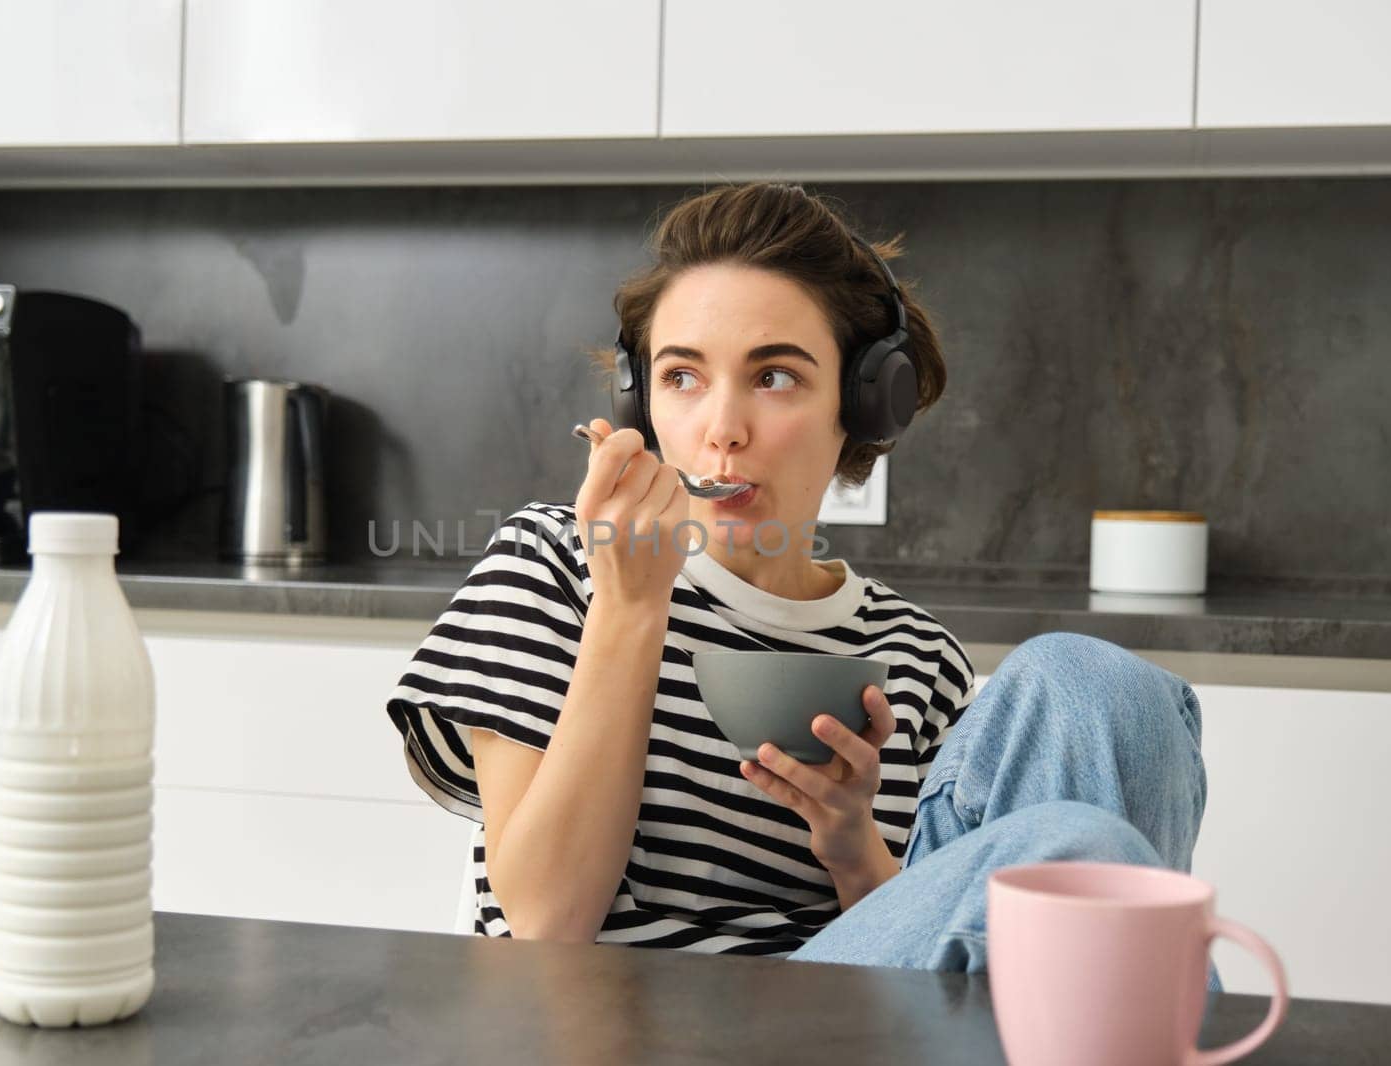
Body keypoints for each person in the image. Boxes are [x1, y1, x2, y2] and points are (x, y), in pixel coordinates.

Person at [386, 182, 1210, 975]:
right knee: (1070, 861)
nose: (722, 430)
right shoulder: (558, 561)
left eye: (774, 376)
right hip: (624, 1030)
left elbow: (942, 943)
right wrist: (631, 606)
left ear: (861, 403)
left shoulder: (917, 654)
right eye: (682, 377)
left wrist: (855, 850)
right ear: (641, 404)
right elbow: (544, 926)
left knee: (1094, 682)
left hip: (854, 1029)